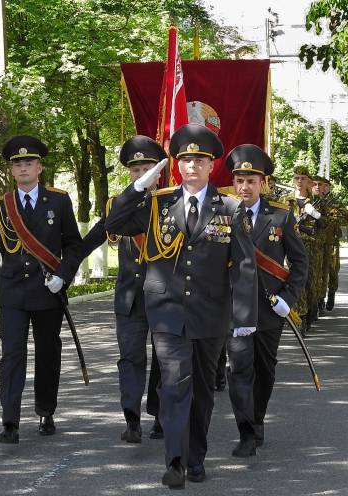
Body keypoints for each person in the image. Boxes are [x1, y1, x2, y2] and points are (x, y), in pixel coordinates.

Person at [105, 124, 258, 489]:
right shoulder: (157, 203)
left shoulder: (231, 208)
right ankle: (174, 461)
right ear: (176, 165)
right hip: (167, 314)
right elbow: (113, 222)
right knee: (173, 387)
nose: (192, 165)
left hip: (210, 317)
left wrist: (244, 318)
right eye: (185, 159)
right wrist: (140, 186)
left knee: (203, 392)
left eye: (199, 160)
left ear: (211, 165)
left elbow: (245, 265)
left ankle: (196, 457)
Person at [0, 135, 83, 444]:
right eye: (18, 164)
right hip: (13, 295)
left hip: (47, 291)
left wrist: (63, 275)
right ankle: (10, 422)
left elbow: (73, 244)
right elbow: (0, 251)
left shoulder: (58, 200)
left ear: (39, 167)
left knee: (47, 353)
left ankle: (45, 411)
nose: (23, 167)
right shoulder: (1, 205)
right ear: (12, 170)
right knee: (12, 355)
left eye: (29, 162)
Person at [80, 135, 165, 443]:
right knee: (130, 358)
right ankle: (131, 418)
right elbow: (97, 236)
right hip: (129, 298)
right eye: (135, 169)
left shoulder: (169, 202)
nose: (141, 173)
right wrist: (65, 267)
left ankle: (160, 415)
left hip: (163, 296)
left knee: (163, 358)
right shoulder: (119, 204)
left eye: (147, 168)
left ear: (159, 171)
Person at [225, 144, 308, 456]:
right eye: (239, 181)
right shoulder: (222, 215)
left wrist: (289, 298)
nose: (244, 187)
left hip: (270, 308)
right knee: (239, 369)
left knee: (265, 369)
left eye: (251, 181)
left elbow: (300, 263)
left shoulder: (281, 218)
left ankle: (257, 419)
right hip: (235, 308)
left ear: (263, 183)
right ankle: (246, 432)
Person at [314, 178, 348, 311]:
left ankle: (331, 293)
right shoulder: (311, 202)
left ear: (328, 188)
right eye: (315, 184)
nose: (319, 187)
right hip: (315, 243)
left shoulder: (334, 204)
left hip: (331, 243)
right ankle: (319, 300)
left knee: (332, 270)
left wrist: (334, 216)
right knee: (318, 272)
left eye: (322, 185)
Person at [290, 166, 323, 331]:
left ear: (308, 181)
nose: (299, 181)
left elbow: (322, 224)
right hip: (289, 245)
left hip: (310, 245)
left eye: (303, 178)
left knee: (310, 281)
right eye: (297, 178)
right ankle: (299, 317)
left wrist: (317, 215)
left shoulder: (316, 201)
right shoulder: (285, 200)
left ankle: (310, 310)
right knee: (295, 281)